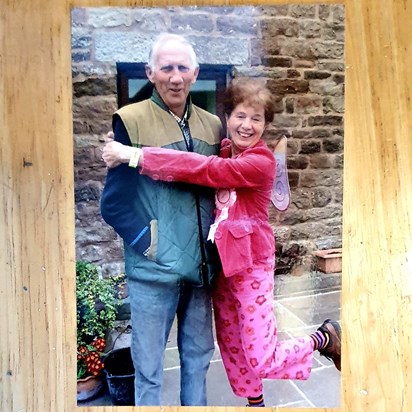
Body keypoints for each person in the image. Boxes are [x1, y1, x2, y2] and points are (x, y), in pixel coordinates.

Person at [102, 77, 341, 407]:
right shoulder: (226, 147)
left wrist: (135, 155)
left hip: (252, 267)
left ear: (266, 124)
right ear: (227, 118)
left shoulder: (260, 162)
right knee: (232, 347)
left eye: (257, 118)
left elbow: (203, 168)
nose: (247, 125)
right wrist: (127, 136)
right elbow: (186, 153)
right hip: (222, 268)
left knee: (261, 356)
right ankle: (255, 403)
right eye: (240, 116)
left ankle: (324, 338)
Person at [100, 33, 222, 406]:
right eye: (166, 68)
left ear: (195, 73)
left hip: (201, 272)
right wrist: (151, 244)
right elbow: (114, 204)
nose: (175, 77)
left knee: (198, 361)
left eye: (183, 68)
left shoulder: (214, 126)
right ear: (150, 73)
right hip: (153, 275)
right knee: (149, 371)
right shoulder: (130, 121)